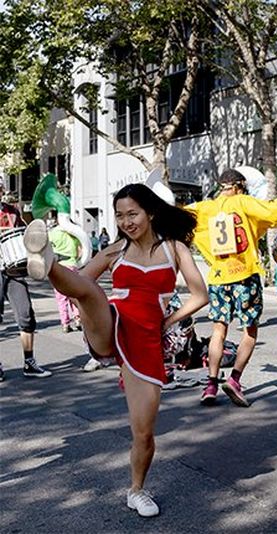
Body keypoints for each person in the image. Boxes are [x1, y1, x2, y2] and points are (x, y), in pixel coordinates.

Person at [23, 183, 208, 517]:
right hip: (111, 325)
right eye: (120, 215)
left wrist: (169, 321)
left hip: (147, 342)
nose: (126, 221)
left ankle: (136, 491)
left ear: (149, 213)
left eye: (132, 214)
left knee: (144, 432)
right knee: (91, 293)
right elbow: (80, 280)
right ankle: (47, 262)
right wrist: (58, 271)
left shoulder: (175, 249)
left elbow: (200, 295)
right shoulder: (114, 250)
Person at [184, 169, 277, 407]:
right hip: (245, 276)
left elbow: (177, 215)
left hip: (218, 277)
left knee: (218, 331)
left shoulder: (205, 208)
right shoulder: (245, 202)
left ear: (221, 186)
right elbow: (276, 210)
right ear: (239, 186)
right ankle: (234, 380)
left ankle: (211, 384)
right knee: (250, 332)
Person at [0, 192, 52, 380]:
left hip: (13, 270)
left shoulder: (12, 211)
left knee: (26, 314)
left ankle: (29, 363)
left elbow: (24, 235)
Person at [49, 223, 83, 333]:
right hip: (72, 265)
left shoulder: (53, 233)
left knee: (61, 298)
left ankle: (65, 323)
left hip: (58, 267)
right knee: (74, 294)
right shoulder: (74, 234)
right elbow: (79, 252)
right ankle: (78, 319)